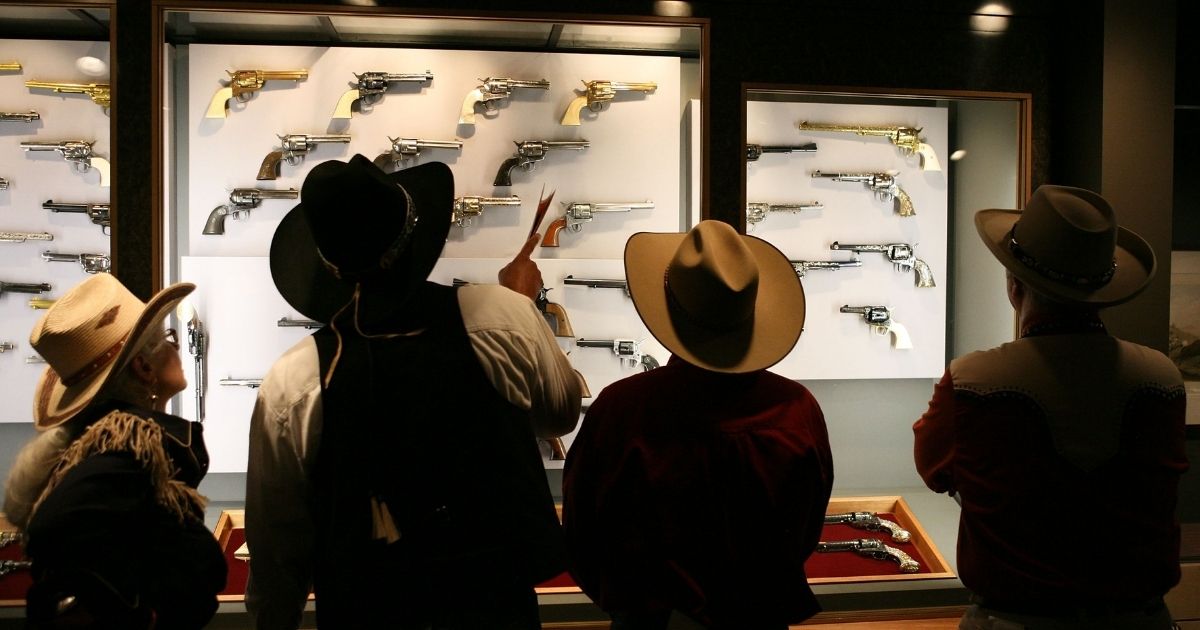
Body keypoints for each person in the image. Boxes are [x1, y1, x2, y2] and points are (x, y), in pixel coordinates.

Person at [244, 155, 586, 629]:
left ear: (328, 264)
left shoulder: (292, 383)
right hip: (492, 607)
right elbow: (559, 415)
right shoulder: (502, 317)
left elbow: (276, 551)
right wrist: (523, 309)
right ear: (414, 233)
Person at [913, 185, 1188, 629]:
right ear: (1104, 284)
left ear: (1013, 283)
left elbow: (934, 469)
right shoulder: (1162, 378)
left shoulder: (973, 381)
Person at [563, 220, 834, 630]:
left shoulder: (622, 409)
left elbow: (583, 534)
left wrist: (636, 604)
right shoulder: (799, 409)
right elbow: (805, 528)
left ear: (670, 306)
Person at [3, 273, 227, 628]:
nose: (178, 347)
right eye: (169, 339)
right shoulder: (130, 450)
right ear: (143, 367)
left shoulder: (109, 447)